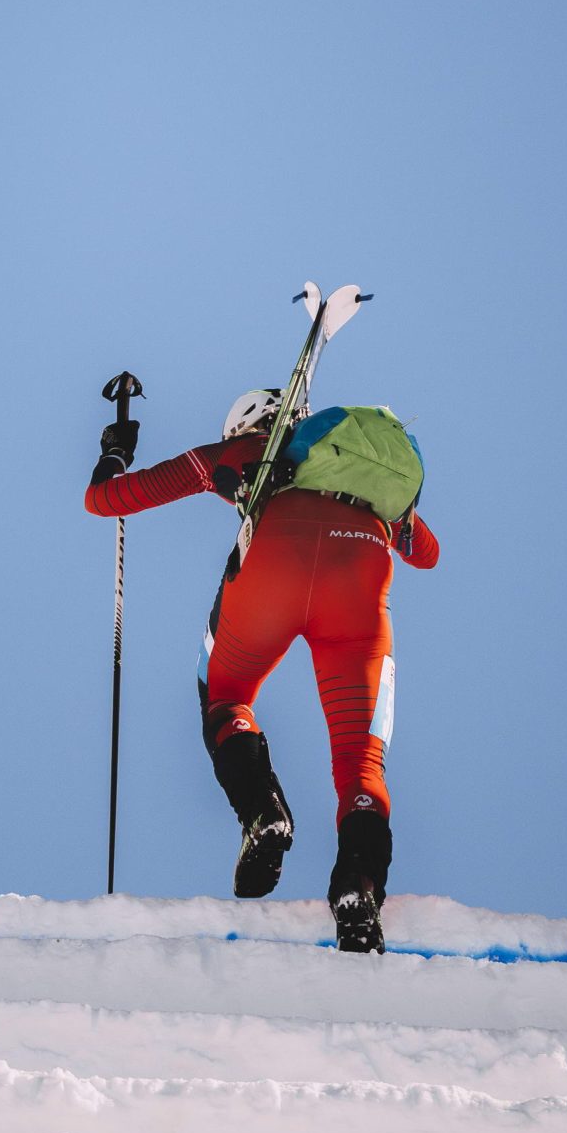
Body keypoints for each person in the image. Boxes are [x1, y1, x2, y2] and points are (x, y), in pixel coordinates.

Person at [84, 390, 438, 952]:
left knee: (225, 698)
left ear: (244, 427)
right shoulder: (358, 474)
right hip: (360, 584)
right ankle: (358, 891)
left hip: (272, 572)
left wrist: (115, 452)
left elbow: (104, 500)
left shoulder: (239, 455)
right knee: (361, 762)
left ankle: (263, 813)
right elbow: (426, 552)